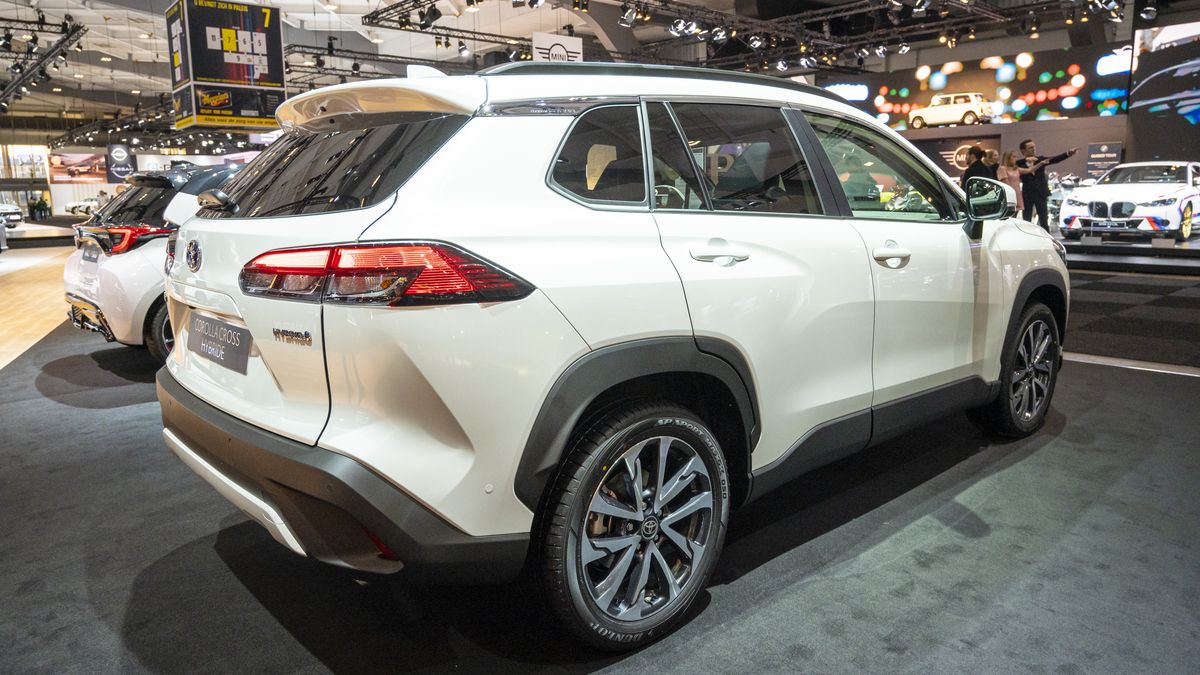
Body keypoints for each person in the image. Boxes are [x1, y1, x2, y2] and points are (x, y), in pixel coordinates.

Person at [1016, 139, 1077, 230]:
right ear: (1023, 151)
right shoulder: (1019, 163)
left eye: (1034, 147)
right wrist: (1026, 159)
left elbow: (1055, 159)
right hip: (1027, 193)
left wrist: (1068, 153)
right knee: (1026, 218)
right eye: (1030, 148)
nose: (1034, 149)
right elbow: (1010, 164)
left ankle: (1047, 236)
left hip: (1041, 192)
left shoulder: (1040, 159)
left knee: (1043, 218)